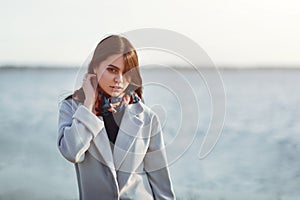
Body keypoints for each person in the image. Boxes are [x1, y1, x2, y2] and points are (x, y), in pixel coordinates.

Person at [57, 35, 175, 200]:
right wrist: (89, 104)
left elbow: (160, 181)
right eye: (112, 70)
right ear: (95, 67)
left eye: (126, 73)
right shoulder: (72, 108)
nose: (119, 80)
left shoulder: (147, 117)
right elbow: (72, 152)